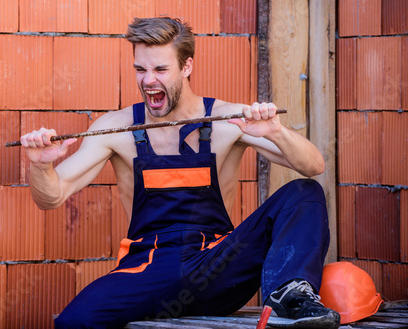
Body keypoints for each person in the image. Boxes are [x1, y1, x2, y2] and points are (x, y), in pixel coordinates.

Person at [20, 17, 340, 329]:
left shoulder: (228, 120)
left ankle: (292, 294)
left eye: (160, 69)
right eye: (141, 69)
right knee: (73, 322)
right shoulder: (113, 129)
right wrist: (41, 164)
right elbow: (52, 196)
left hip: (216, 267)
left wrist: (275, 132)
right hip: (148, 269)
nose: (148, 80)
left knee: (303, 192)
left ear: (187, 67)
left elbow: (314, 166)